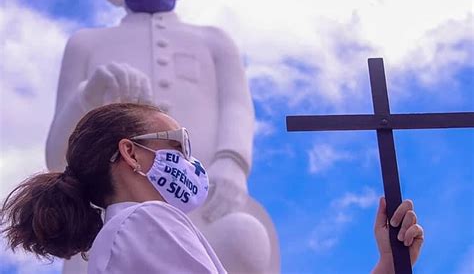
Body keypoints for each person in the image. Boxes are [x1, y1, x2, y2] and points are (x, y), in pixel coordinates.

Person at [45, 0, 276, 273]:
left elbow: (236, 106)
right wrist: (86, 97)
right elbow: (55, 157)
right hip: (115, 207)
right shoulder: (87, 44)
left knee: (244, 239)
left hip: (207, 201)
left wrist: (232, 163)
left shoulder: (214, 41)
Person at [2, 103, 423, 274]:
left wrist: (386, 265)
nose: (191, 162)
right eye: (179, 145)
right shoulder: (144, 221)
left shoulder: (129, 231)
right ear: (130, 154)